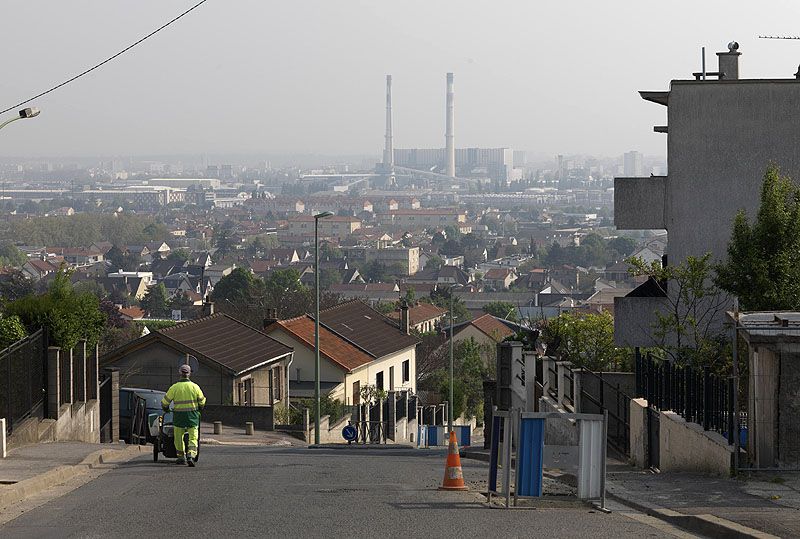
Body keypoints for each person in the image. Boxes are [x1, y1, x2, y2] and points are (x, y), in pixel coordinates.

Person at [161, 364, 206, 466]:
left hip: (179, 417)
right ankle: (191, 455)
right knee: (193, 437)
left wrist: (166, 409)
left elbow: (164, 403)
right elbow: (202, 401)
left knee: (178, 437)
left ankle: (181, 457)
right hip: (192, 416)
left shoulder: (175, 387)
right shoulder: (195, 387)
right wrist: (199, 408)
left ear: (180, 373)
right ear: (189, 374)